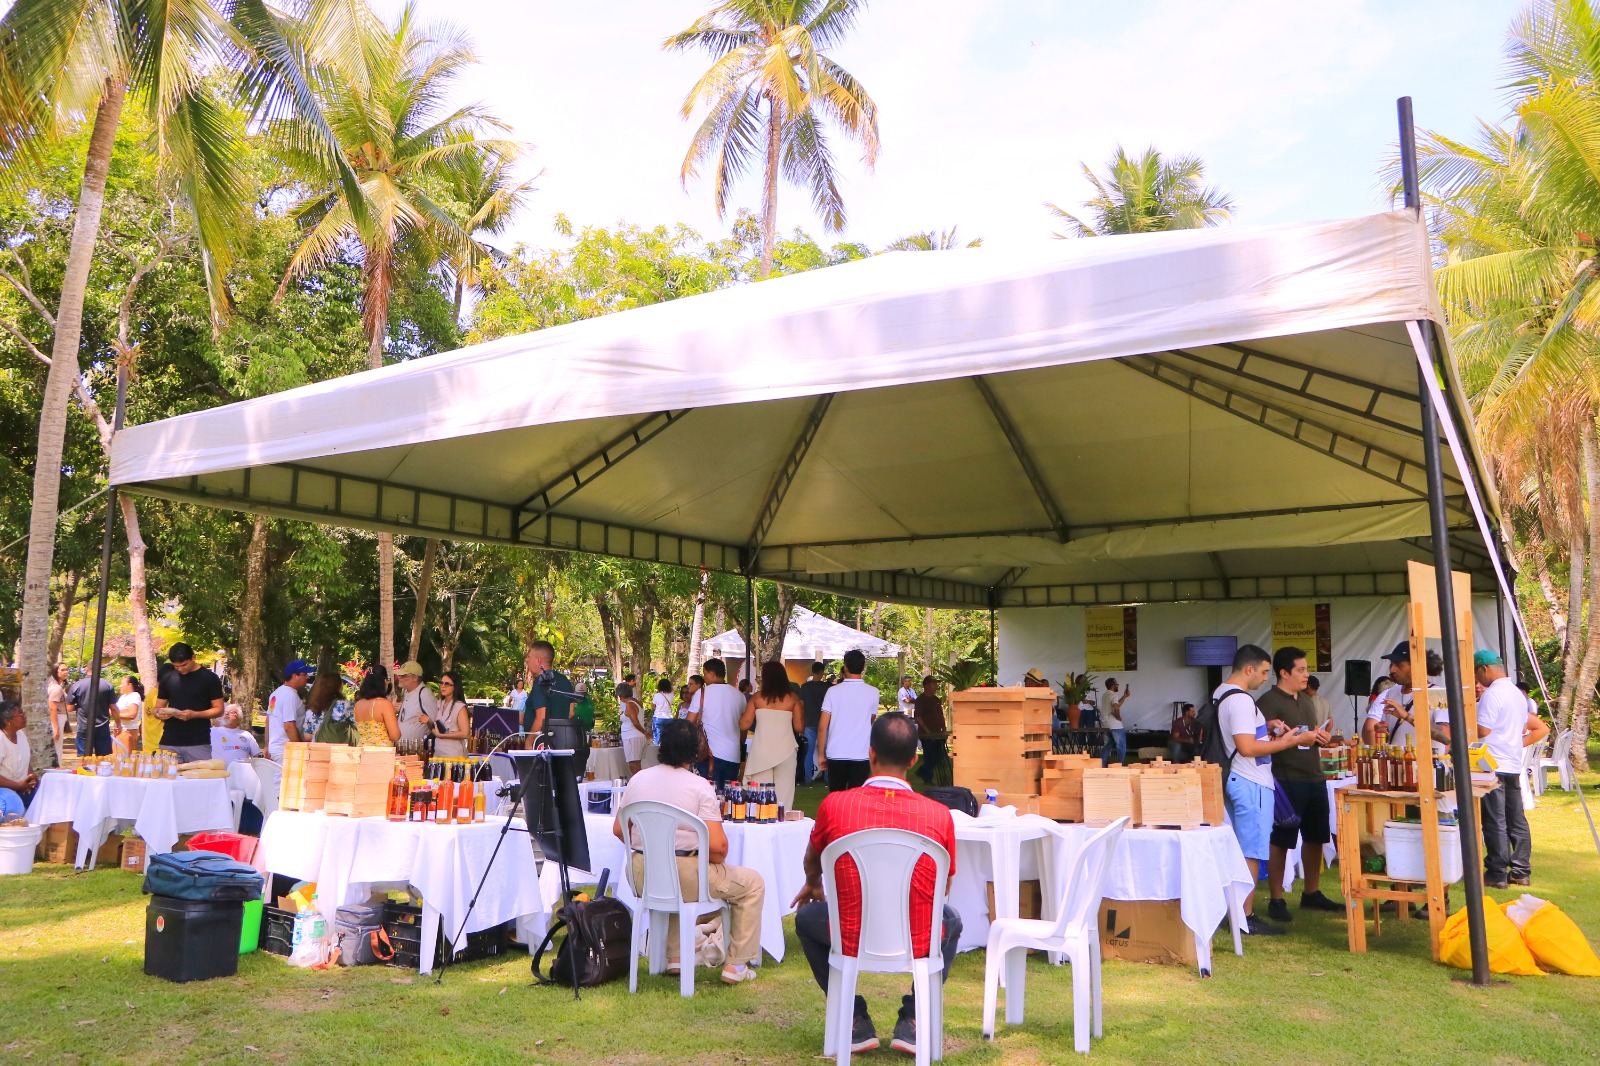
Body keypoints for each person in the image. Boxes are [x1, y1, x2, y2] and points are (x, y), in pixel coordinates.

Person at [792, 713, 961, 1057]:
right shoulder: (938, 815)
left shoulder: (835, 805)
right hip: (917, 938)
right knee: (951, 921)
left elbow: (812, 858)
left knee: (806, 921)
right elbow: (944, 888)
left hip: (848, 932)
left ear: (870, 754)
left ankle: (853, 1019)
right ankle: (914, 1019)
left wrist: (813, 884)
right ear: (915, 760)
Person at [611, 718, 766, 984]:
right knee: (752, 884)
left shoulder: (638, 780)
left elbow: (618, 830)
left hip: (640, 873)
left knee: (673, 879)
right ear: (695, 751)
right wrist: (704, 858)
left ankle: (676, 957)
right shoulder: (698, 787)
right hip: (685, 875)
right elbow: (719, 847)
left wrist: (656, 850)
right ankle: (737, 964)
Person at [1215, 644, 1329, 936]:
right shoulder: (1241, 700)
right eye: (1264, 672)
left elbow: (1241, 736)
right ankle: (1245, 916)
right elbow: (1247, 747)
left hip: (1239, 778)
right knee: (1251, 852)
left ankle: (1240, 912)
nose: (1265, 678)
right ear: (1249, 669)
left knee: (1245, 848)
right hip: (1250, 780)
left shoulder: (1221, 693)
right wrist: (1288, 742)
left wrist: (1265, 726)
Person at [1256, 646, 1341, 921]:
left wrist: (1319, 737)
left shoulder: (1306, 700)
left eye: (1306, 669)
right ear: (1284, 673)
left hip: (1314, 776)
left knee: (1317, 836)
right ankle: (1277, 898)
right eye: (1301, 670)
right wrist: (1288, 738)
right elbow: (1260, 743)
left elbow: (1307, 735)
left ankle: (1311, 893)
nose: (1306, 675)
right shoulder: (1267, 702)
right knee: (1281, 839)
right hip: (1285, 778)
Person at [1474, 650, 1550, 888]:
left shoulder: (1492, 694)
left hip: (1491, 763)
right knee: (1516, 818)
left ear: (1484, 669)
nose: (1478, 680)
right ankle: (1521, 870)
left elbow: (1483, 731)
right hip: (1512, 763)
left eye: (1477, 673)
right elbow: (1532, 727)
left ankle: (1496, 873)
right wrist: (1517, 743)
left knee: (1495, 819)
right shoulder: (1518, 695)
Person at [742, 661, 803, 814]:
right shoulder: (793, 699)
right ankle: (782, 826)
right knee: (784, 797)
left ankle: (761, 826)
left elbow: (744, 724)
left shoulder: (757, 698)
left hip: (762, 751)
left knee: (760, 798)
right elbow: (799, 727)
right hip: (786, 750)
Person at [816, 649, 879, 792]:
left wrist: (821, 754)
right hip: (861, 753)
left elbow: (822, 726)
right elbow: (871, 719)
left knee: (836, 797)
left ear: (845, 667)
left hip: (836, 752)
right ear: (863, 668)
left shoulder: (833, 692)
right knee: (856, 799)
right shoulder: (873, 692)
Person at [154, 643, 225, 763]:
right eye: (176, 666)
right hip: (169, 741)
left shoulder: (210, 678)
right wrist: (158, 713)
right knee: (167, 778)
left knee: (199, 779)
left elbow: (219, 710)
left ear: (193, 657)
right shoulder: (167, 679)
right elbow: (157, 708)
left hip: (198, 742)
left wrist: (195, 714)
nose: (181, 669)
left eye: (184, 665)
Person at [691, 658, 747, 790]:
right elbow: (743, 726)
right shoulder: (739, 695)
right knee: (729, 797)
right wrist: (739, 745)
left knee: (709, 796)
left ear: (711, 673)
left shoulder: (702, 693)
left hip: (709, 754)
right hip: (733, 754)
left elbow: (689, 722)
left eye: (704, 674)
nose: (704, 678)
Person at [266, 659, 311, 760]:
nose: (307, 677)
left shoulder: (275, 694)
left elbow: (268, 721)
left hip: (276, 748)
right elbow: (289, 726)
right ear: (295, 676)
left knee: (277, 776)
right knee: (284, 776)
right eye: (304, 674)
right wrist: (300, 749)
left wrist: (267, 746)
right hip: (285, 750)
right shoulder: (290, 696)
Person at [0, 701, 39, 819]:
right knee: (14, 806)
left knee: (45, 800)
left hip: (22, 788)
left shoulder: (21, 735)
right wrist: (17, 786)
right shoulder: (1, 739)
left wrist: (31, 779)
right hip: (5, 790)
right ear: (8, 721)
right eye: (21, 714)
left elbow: (25, 761)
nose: (24, 717)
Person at [68, 669, 114, 757]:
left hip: (84, 725)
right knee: (103, 757)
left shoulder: (77, 685)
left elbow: (69, 708)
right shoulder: (107, 685)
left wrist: (80, 705)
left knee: (84, 757)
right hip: (103, 725)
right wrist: (118, 723)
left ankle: (85, 770)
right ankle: (101, 770)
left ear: (86, 669)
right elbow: (113, 707)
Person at [913, 675, 949, 785]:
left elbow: (940, 715)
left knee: (940, 756)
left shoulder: (936, 699)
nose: (936, 687)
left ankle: (922, 771)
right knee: (929, 756)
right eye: (933, 684)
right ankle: (927, 778)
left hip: (938, 733)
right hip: (927, 735)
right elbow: (918, 717)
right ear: (926, 686)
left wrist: (944, 728)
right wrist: (927, 730)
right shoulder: (921, 700)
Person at [353, 666, 400, 746]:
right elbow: (395, 736)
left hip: (362, 750)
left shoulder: (358, 704)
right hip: (380, 752)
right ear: (384, 681)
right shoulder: (384, 704)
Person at [394, 660, 438, 745]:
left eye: (403, 675)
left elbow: (434, 723)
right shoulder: (407, 692)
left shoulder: (425, 694)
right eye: (399, 675)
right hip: (404, 747)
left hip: (416, 749)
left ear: (415, 678)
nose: (400, 678)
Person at [798, 662, 829, 784]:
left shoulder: (805, 687)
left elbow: (801, 705)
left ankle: (807, 779)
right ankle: (828, 778)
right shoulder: (827, 688)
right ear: (822, 673)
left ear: (812, 671)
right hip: (824, 723)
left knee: (808, 753)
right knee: (826, 752)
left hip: (809, 722)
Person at [431, 670, 471, 758]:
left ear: (455, 687)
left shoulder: (459, 706)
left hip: (453, 754)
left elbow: (465, 733)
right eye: (441, 683)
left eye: (447, 684)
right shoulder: (439, 704)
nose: (443, 686)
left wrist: (442, 735)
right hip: (438, 752)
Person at [301, 672, 345, 741]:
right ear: (338, 687)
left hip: (317, 749)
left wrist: (318, 735)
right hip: (339, 748)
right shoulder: (344, 706)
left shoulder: (311, 711)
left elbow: (306, 736)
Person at [618, 682, 649, 775]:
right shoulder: (636, 702)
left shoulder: (630, 705)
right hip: (635, 736)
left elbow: (635, 722)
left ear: (622, 695)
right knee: (637, 764)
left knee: (633, 765)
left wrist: (645, 732)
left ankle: (637, 785)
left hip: (632, 737)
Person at [1100, 677, 1130, 767]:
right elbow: (1115, 707)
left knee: (1107, 746)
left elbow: (1116, 704)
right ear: (1113, 685)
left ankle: (1101, 765)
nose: (1117, 686)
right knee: (1121, 747)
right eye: (1117, 684)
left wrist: (1124, 696)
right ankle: (1119, 766)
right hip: (1115, 725)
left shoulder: (1105, 695)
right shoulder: (1113, 695)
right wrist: (1118, 717)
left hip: (1105, 724)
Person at [114, 675, 145, 756]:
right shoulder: (123, 696)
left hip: (128, 731)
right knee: (116, 758)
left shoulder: (134, 696)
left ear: (129, 685)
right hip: (120, 730)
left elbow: (132, 715)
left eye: (122, 683)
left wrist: (115, 714)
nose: (120, 686)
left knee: (123, 759)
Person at [47, 662, 70, 763]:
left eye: (66, 669)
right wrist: (56, 728)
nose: (66, 672)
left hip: (58, 718)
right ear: (56, 672)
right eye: (62, 670)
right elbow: (52, 708)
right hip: (57, 719)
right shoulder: (56, 688)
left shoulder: (55, 685)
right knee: (57, 748)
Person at [650, 677, 677, 744]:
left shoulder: (657, 695)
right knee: (668, 737)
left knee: (657, 737)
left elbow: (653, 706)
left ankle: (657, 751)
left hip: (658, 717)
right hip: (669, 717)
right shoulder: (671, 695)